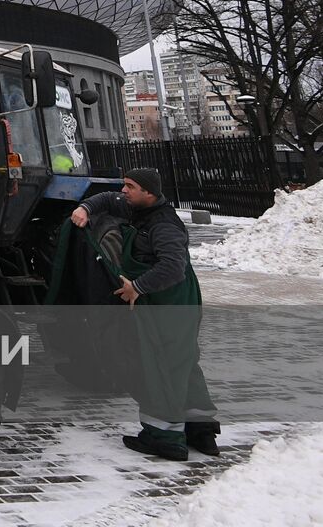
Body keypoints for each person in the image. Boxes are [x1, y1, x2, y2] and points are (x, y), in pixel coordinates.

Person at [69, 167, 219, 460]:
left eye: (130, 186)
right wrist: (85, 208)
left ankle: (164, 438)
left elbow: (172, 267)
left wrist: (137, 286)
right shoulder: (138, 208)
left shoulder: (163, 226)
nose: (123, 191)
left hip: (171, 300)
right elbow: (105, 199)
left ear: (148, 192)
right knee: (184, 361)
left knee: (159, 364)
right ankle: (200, 429)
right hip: (164, 298)